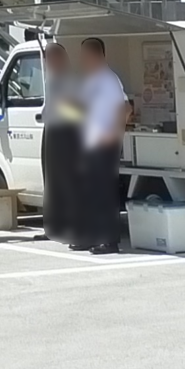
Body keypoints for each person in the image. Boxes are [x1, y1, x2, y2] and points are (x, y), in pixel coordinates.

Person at [72, 38, 130, 254]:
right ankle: (90, 235)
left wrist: (114, 134)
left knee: (104, 193)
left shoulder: (108, 79)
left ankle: (108, 239)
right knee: (89, 192)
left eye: (85, 55)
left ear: (98, 55)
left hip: (105, 143)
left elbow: (125, 108)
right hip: (89, 143)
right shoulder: (90, 80)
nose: (82, 59)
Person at [40, 42, 82, 240]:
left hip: (68, 131)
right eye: (46, 59)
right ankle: (53, 227)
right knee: (51, 179)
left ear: (62, 59)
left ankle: (73, 225)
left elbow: (79, 113)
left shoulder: (72, 80)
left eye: (51, 59)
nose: (48, 63)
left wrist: (62, 107)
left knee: (68, 180)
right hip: (51, 129)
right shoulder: (51, 80)